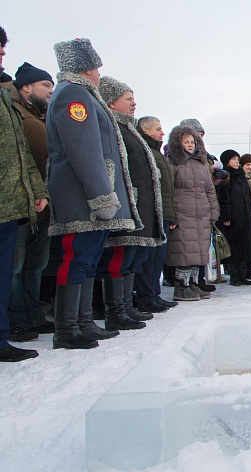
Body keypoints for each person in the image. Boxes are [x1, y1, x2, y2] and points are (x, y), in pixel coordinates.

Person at [47, 38, 141, 349]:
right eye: (97, 68)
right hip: (82, 196)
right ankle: (67, 329)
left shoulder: (81, 93)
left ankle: (83, 323)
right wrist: (101, 195)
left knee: (86, 260)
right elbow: (84, 151)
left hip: (89, 194)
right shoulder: (74, 95)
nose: (100, 74)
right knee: (76, 258)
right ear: (87, 68)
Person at [98, 76, 166, 329]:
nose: (134, 103)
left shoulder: (128, 129)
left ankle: (126, 307)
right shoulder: (111, 128)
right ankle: (116, 312)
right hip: (127, 206)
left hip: (141, 207)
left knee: (132, 259)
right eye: (128, 99)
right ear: (112, 103)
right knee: (119, 258)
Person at [0, 26, 49, 361]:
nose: (3, 52)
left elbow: (20, 152)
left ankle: (4, 336)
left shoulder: (6, 100)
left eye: (3, 47)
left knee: (11, 272)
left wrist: (38, 188)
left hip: (13, 204)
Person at [7, 62, 54, 342]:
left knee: (36, 265)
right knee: (16, 266)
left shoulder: (41, 116)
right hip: (19, 204)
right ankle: (17, 320)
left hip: (44, 205)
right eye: (45, 85)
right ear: (26, 87)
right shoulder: (14, 113)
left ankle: (34, 316)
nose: (50, 90)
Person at [166, 125, 219, 300]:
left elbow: (210, 190)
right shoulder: (173, 164)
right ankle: (181, 286)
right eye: (186, 142)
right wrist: (172, 214)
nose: (190, 145)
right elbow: (168, 190)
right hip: (183, 214)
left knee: (199, 251)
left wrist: (213, 212)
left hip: (201, 215)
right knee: (184, 251)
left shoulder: (201, 165)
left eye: (192, 142)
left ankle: (194, 284)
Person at [135, 116, 178, 311]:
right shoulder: (145, 151)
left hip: (163, 214)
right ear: (145, 131)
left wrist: (171, 215)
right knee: (148, 259)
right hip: (152, 214)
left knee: (157, 258)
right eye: (157, 129)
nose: (162, 132)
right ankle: (146, 297)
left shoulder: (157, 153)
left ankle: (154, 294)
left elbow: (167, 189)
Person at [179, 118, 227, 288]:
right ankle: (190, 282)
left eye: (200, 136)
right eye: (195, 136)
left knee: (203, 246)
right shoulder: (178, 158)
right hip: (188, 210)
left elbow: (207, 185)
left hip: (204, 206)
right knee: (190, 247)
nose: (199, 139)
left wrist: (220, 177)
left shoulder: (204, 157)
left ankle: (200, 279)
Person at [217, 149, 251, 286]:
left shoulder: (241, 176)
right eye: (233, 159)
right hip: (233, 218)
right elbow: (223, 198)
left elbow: (247, 196)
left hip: (245, 216)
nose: (236, 162)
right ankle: (234, 275)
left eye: (237, 159)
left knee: (245, 245)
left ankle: (243, 274)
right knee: (234, 247)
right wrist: (226, 217)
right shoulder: (226, 177)